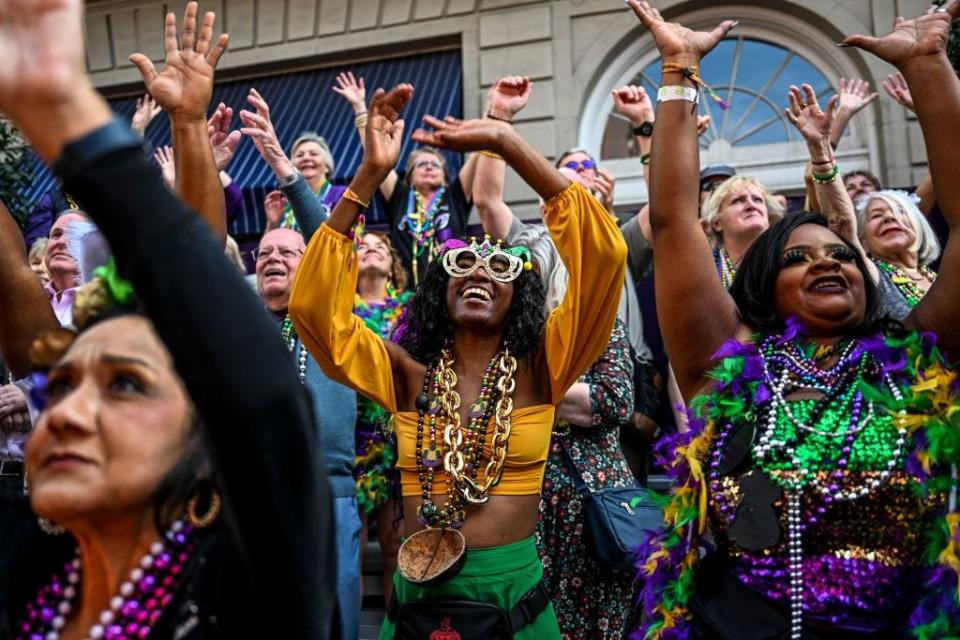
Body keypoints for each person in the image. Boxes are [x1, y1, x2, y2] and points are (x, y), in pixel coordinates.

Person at [0, 2, 338, 638]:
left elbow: (249, 377)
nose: (66, 413)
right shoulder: (26, 573)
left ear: (208, 435)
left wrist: (66, 105)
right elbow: (13, 282)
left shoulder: (252, 582)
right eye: (61, 386)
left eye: (125, 384)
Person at [627, 2, 960, 639]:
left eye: (842, 255)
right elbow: (672, 222)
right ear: (765, 289)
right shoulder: (723, 369)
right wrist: (676, 70)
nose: (826, 264)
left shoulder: (918, 360)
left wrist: (927, 67)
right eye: (798, 258)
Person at [289, 79, 627, 638]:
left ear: (521, 297)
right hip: (418, 600)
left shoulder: (544, 368)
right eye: (464, 262)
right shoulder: (405, 373)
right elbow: (314, 312)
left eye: (500, 269)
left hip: (516, 599)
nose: (478, 272)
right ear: (439, 290)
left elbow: (604, 256)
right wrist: (369, 174)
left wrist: (507, 142)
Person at [253, 226, 362, 640]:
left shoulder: (330, 319)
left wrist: (288, 173)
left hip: (327, 493)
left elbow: (330, 241)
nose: (272, 259)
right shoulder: (242, 323)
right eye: (264, 253)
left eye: (287, 252)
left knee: (335, 620)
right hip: (258, 497)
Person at [786, 84, 939, 319]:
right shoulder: (864, 266)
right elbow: (838, 216)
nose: (889, 217)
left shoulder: (941, 275)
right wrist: (823, 141)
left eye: (898, 210)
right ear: (863, 239)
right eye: (875, 215)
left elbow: (946, 170)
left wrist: (926, 111)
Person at [333, 71, 480, 286]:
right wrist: (359, 108)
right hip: (403, 296)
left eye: (435, 164)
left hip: (450, 292)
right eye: (421, 164)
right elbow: (376, 159)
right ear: (409, 178)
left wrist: (493, 116)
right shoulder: (400, 196)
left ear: (446, 178)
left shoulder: (455, 196)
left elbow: (481, 154)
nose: (429, 167)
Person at [699, 174, 785, 287]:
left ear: (769, 217)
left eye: (757, 200)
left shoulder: (788, 260)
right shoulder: (703, 270)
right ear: (717, 223)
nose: (751, 205)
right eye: (738, 201)